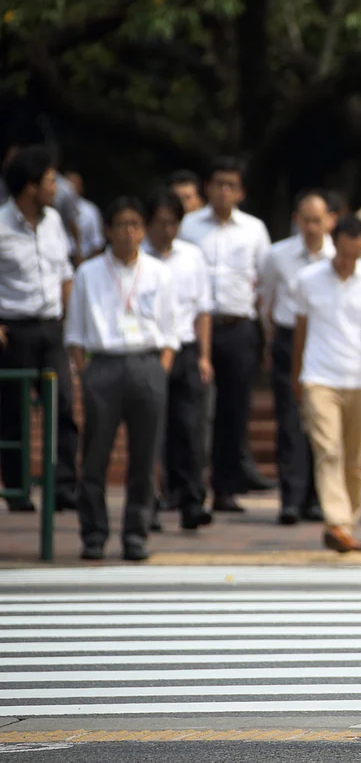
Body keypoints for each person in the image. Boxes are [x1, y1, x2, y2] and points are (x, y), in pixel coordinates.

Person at [65, 196, 178, 561]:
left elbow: (171, 330)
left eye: (135, 225)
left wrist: (161, 367)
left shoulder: (158, 272)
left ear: (143, 230)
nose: (128, 232)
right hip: (104, 364)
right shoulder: (89, 273)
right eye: (121, 225)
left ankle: (136, 534)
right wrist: (86, 372)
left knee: (145, 457)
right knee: (95, 455)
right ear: (108, 230)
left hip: (147, 362)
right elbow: (75, 333)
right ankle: (94, 533)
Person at [293, 215, 361, 553]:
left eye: (356, 253)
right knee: (328, 450)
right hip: (319, 376)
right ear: (334, 243)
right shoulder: (308, 278)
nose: (349, 260)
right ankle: (336, 521)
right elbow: (300, 332)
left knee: (353, 458)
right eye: (344, 252)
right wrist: (297, 375)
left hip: (360, 378)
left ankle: (346, 523)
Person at [179, 156, 274, 513]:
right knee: (190, 409)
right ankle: (184, 487)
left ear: (241, 192)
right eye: (218, 183)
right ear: (207, 187)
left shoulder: (254, 230)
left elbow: (265, 283)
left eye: (231, 185)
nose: (223, 191)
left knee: (234, 411)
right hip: (194, 328)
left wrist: (263, 335)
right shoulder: (189, 226)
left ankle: (225, 488)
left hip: (238, 327)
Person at [0, 145, 80, 513]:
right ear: (30, 186)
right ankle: (18, 491)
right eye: (50, 180)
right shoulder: (1, 225)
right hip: (14, 330)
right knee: (14, 413)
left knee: (63, 406)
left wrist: (72, 323)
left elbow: (64, 274)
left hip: (52, 327)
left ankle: (63, 487)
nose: (56, 187)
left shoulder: (54, 222)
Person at [142, 188, 214, 532]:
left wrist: (204, 355)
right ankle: (149, 503)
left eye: (173, 223)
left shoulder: (192, 256)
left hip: (185, 350)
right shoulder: (137, 259)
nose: (167, 230)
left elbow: (202, 309)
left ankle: (192, 502)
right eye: (160, 223)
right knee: (151, 432)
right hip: (149, 350)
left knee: (189, 429)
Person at [259, 191, 333, 525]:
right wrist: (271, 342)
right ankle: (291, 498)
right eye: (306, 220)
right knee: (289, 422)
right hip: (289, 340)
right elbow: (266, 301)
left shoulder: (338, 253)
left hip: (325, 341)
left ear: (329, 220)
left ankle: (317, 499)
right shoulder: (277, 255)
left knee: (321, 422)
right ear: (296, 220)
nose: (312, 227)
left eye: (318, 220)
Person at [63, 170, 105, 261]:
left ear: (81, 187)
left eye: (74, 183)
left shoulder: (91, 210)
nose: (70, 188)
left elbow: (97, 243)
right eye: (67, 184)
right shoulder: (54, 211)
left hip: (86, 259)